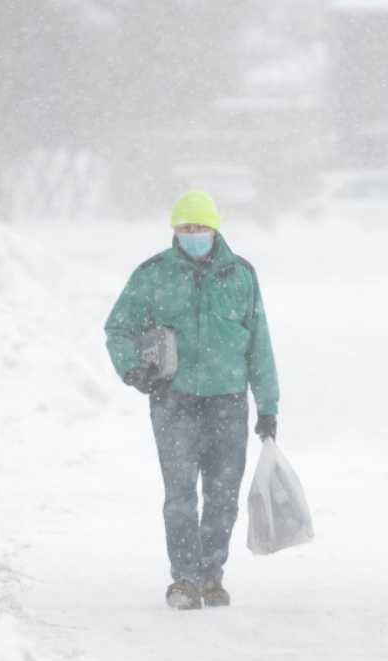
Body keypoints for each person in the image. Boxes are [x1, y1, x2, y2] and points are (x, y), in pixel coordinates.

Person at [104, 190, 280, 610]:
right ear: (175, 233)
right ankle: (184, 580)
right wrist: (133, 368)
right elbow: (118, 328)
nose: (193, 234)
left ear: (215, 229)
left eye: (199, 227)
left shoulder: (241, 276)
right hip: (174, 401)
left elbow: (260, 345)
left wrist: (268, 407)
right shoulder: (152, 276)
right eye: (185, 228)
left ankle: (211, 575)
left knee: (222, 495)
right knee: (180, 494)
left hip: (228, 403)